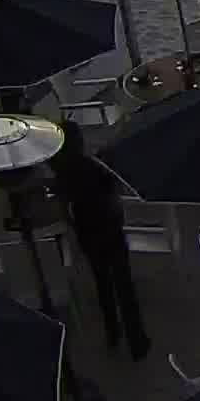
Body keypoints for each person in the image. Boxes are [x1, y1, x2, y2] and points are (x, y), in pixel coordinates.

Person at [43, 128, 147, 360]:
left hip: (87, 231)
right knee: (124, 285)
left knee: (103, 284)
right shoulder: (96, 166)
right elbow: (114, 195)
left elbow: (64, 208)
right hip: (109, 227)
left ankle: (113, 333)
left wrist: (74, 224)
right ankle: (136, 340)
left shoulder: (63, 173)